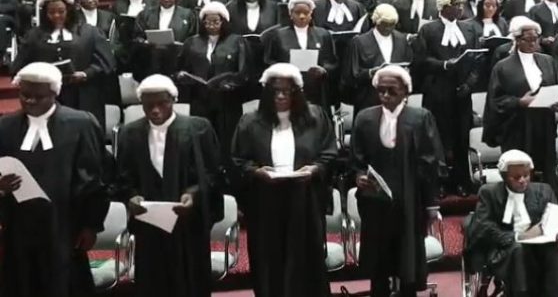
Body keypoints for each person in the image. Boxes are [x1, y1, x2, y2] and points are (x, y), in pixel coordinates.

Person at [0, 62, 109, 297]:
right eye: (24, 95)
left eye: (38, 96)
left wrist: (91, 224)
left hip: (64, 224)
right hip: (19, 225)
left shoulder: (81, 123)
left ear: (54, 93)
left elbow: (95, 177)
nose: (30, 101)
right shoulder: (5, 126)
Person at [231, 63, 336, 297]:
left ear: (297, 92)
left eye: (286, 91)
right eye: (275, 91)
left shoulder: (316, 117)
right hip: (266, 200)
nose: (280, 96)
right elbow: (238, 159)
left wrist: (315, 169)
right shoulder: (249, 121)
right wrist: (256, 172)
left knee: (306, 257)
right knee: (269, 258)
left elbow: (329, 153)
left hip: (304, 199)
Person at [115, 74, 223, 297]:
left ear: (173, 100)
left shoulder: (198, 128)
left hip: (187, 225)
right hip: (149, 225)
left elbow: (212, 174)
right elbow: (123, 177)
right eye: (148, 105)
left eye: (161, 103)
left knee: (190, 281)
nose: (155, 110)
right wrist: (132, 196)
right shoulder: (129, 133)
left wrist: (194, 193)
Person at [351, 64, 445, 296]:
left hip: (410, 198)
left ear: (405, 90)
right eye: (381, 90)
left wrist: (431, 203)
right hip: (376, 201)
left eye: (391, 90)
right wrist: (359, 176)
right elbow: (356, 159)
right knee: (379, 261)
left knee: (407, 259)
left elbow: (431, 162)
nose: (385, 95)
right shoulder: (365, 118)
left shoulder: (420, 117)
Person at [467, 149, 558, 297]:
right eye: (516, 177)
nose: (522, 180)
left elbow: (554, 218)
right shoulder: (488, 193)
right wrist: (518, 237)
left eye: (526, 175)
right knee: (519, 249)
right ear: (504, 176)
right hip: (504, 249)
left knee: (550, 250)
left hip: (539, 246)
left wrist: (557, 232)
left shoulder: (544, 190)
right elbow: (483, 226)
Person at [412, 0, 482, 195]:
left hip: (462, 92)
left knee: (462, 138)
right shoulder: (428, 29)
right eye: (456, 5)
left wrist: (469, 83)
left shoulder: (470, 28)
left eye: (461, 5)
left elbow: (477, 59)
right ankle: (439, 182)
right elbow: (420, 60)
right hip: (437, 92)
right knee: (438, 139)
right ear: (443, 7)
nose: (460, 9)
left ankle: (461, 181)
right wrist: (443, 65)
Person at [14, 0, 115, 125]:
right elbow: (20, 65)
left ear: (69, 11)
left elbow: (106, 62)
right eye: (51, 12)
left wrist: (86, 74)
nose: (56, 16)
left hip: (84, 95)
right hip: (47, 97)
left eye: (61, 11)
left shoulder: (89, 32)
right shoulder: (34, 36)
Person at [485, 17, 558, 186]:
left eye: (536, 39)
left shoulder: (548, 61)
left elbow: (557, 86)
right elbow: (495, 100)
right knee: (521, 171)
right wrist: (519, 102)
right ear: (517, 40)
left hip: (544, 125)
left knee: (546, 170)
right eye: (528, 39)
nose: (533, 43)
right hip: (517, 126)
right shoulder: (503, 67)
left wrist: (557, 103)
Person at [175, 1, 248, 155]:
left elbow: (244, 72)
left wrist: (232, 83)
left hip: (227, 100)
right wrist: (181, 76)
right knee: (202, 139)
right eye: (207, 22)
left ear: (224, 21)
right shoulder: (192, 42)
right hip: (200, 98)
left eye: (216, 21)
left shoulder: (237, 41)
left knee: (226, 141)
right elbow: (180, 68)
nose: (211, 25)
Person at [263, 0, 337, 108]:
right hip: (288, 86)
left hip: (316, 87)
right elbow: (269, 61)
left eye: (306, 13)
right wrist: (283, 70)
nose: (302, 16)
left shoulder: (323, 35)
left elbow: (332, 61)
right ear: (290, 14)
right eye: (297, 13)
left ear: (311, 14)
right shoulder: (278, 36)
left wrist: (323, 70)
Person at [342, 3, 413, 115]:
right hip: (368, 99)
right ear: (376, 22)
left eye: (392, 25)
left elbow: (408, 63)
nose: (388, 28)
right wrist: (371, 72)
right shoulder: (359, 42)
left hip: (395, 99)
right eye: (385, 24)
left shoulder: (401, 39)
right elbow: (350, 76)